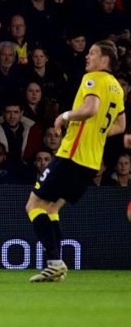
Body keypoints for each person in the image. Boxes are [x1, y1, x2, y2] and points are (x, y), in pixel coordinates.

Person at [25, 40, 126, 282]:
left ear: (105, 60)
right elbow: (121, 125)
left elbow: (90, 108)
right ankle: (55, 267)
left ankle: (55, 262)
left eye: (92, 53)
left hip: (71, 155)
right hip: (91, 163)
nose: (87, 57)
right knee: (51, 208)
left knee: (33, 205)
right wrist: (97, 134)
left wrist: (65, 115)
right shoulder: (117, 88)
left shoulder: (93, 79)